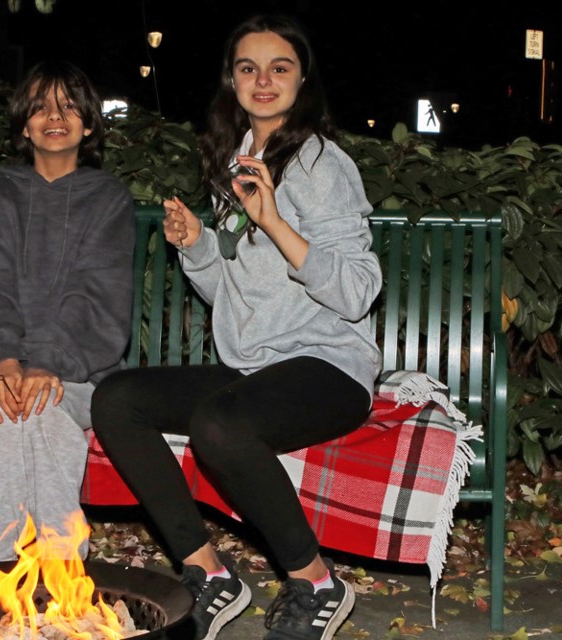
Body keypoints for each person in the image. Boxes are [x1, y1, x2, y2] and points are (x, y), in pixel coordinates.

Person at [91, 14, 381, 640]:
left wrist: (275, 220)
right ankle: (209, 576)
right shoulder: (237, 160)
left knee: (218, 424)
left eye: (280, 67)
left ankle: (317, 583)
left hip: (329, 366)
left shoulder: (321, 163)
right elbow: (237, 294)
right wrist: (198, 247)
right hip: (254, 365)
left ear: (303, 80)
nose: (264, 80)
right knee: (118, 400)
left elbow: (358, 293)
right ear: (232, 80)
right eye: (248, 68)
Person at [0, 61, 134, 563]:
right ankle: (1, 574)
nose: (55, 115)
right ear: (24, 123)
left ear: (89, 124)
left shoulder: (107, 198)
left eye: (69, 106)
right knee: (3, 414)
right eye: (41, 106)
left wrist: (48, 361)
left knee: (44, 414)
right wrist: (3, 361)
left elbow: (99, 292)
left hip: (79, 367)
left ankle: (60, 572)